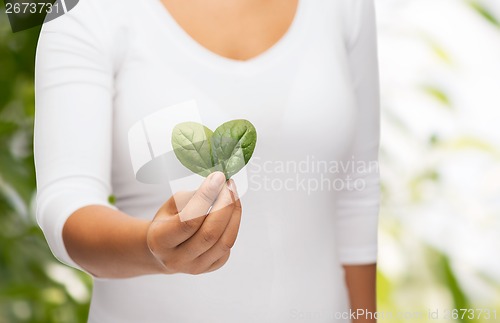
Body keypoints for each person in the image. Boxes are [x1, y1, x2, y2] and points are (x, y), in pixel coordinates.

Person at [34, 0, 380, 322]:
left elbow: (356, 190)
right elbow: (66, 199)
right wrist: (152, 247)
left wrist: (366, 317)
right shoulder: (87, 10)